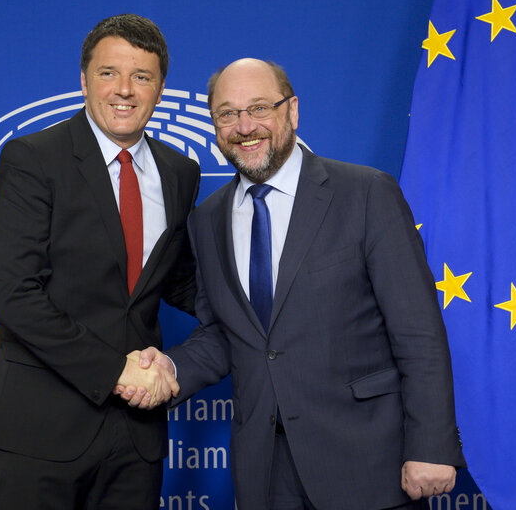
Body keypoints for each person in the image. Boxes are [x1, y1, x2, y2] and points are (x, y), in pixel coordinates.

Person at [119, 58, 465, 510]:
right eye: (227, 113)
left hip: (367, 463)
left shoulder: (365, 194)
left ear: (293, 111)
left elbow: (418, 332)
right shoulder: (207, 221)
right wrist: (170, 370)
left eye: (260, 107)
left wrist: (432, 446)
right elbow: (224, 333)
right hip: (265, 472)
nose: (245, 126)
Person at [0, 14, 200, 509]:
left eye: (141, 77)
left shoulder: (181, 173)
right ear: (83, 80)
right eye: (108, 73)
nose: (124, 90)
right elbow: (14, 295)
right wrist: (116, 372)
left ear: (160, 89)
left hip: (135, 439)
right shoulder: (32, 159)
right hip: (39, 432)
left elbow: (177, 282)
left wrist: (265, 311)